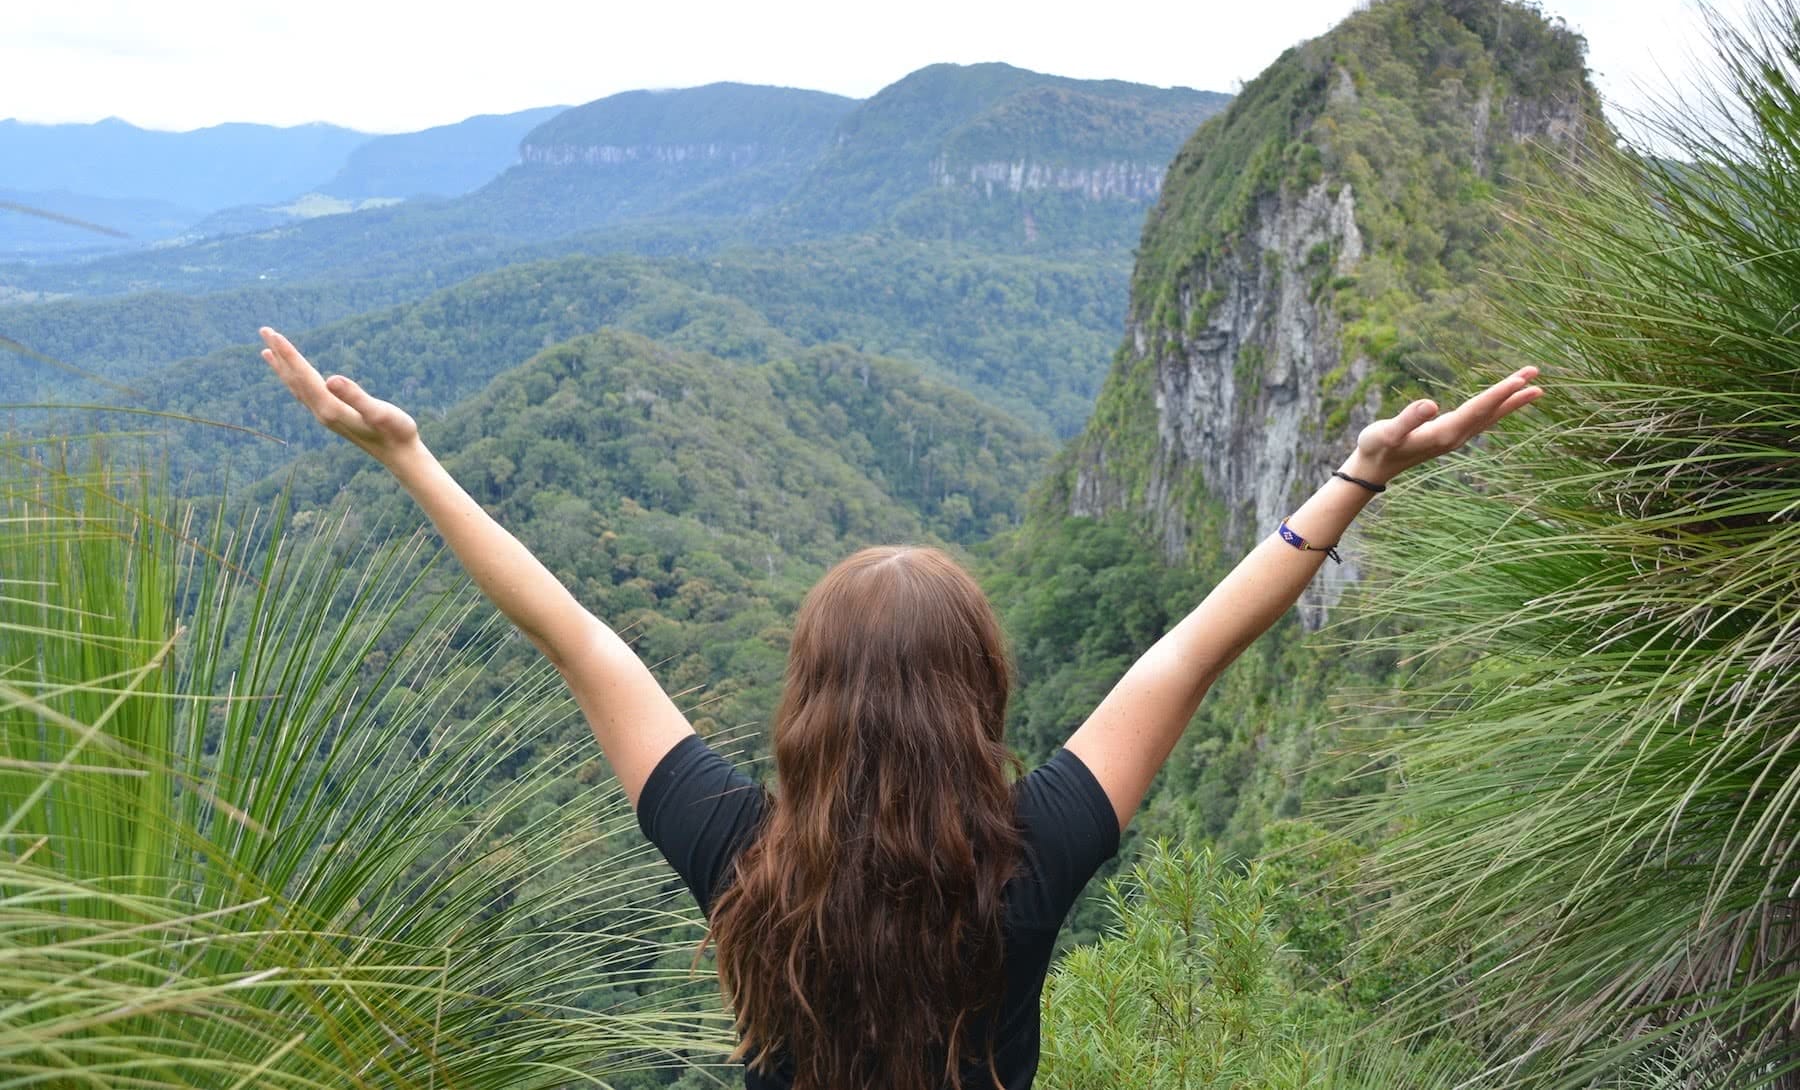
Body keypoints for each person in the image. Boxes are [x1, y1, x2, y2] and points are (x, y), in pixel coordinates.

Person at [258, 325, 1542, 1089]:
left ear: (807, 698)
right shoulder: (1029, 861)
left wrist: (412, 459)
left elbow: (574, 635)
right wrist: (1355, 475)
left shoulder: (735, 853)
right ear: (979, 688)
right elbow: (1188, 652)